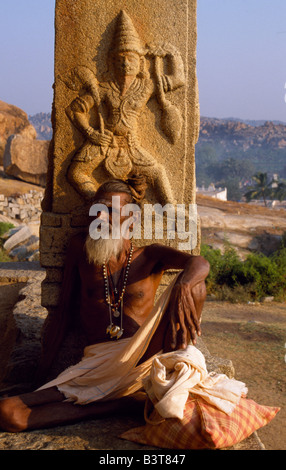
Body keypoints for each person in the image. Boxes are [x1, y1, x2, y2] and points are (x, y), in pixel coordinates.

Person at [0, 178, 210, 433]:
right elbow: (62, 315)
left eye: (110, 210)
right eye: (97, 208)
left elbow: (200, 263)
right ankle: (123, 403)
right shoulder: (81, 249)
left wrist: (183, 286)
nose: (100, 215)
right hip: (97, 362)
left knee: (196, 284)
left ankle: (154, 380)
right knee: (9, 414)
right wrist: (42, 373)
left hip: (144, 359)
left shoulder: (150, 255)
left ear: (130, 219)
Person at [65, 10, 185, 205]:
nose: (125, 63)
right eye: (120, 58)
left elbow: (178, 79)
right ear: (111, 62)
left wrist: (172, 52)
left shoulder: (146, 86)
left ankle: (172, 213)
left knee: (158, 173)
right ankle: (100, 204)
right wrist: (90, 132)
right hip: (105, 142)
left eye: (131, 58)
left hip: (132, 145)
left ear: (141, 63)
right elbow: (74, 110)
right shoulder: (103, 88)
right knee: (75, 173)